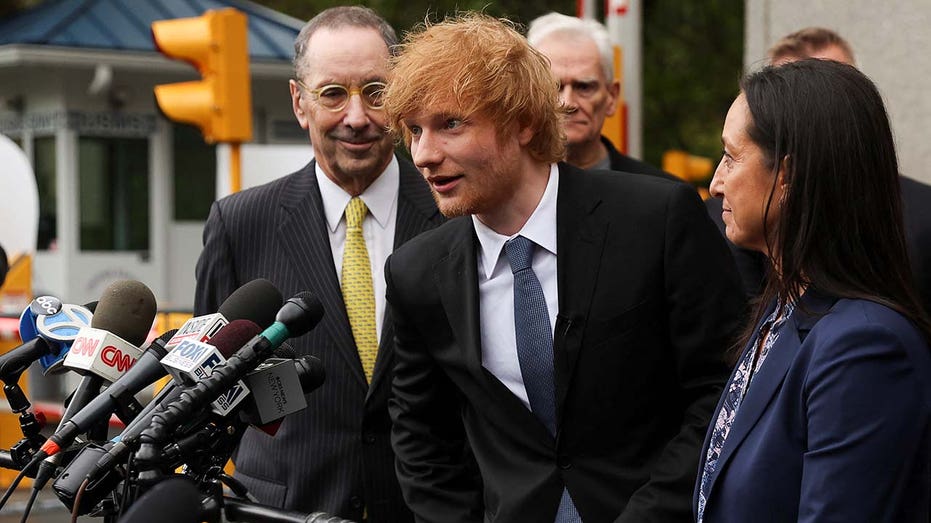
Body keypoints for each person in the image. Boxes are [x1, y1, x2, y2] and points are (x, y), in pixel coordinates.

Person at [382, 13, 746, 522]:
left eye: (450, 124)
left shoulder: (656, 218)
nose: (423, 154)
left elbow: (721, 389)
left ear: (524, 122)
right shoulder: (417, 272)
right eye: (414, 130)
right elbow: (423, 439)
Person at [193, 6, 443, 521]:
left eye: (376, 91)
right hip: (286, 510)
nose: (356, 117)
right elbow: (209, 390)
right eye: (332, 94)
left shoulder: (455, 216)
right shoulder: (240, 223)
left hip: (432, 508)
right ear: (299, 102)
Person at [695, 59, 931, 522]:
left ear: (787, 175)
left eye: (731, 156)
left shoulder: (865, 347)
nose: (715, 182)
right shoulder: (786, 308)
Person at [707, 27, 931, 309]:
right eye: (785, 88)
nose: (717, 184)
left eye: (830, 90)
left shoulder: (865, 332)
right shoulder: (721, 227)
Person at [527, 12, 671, 178]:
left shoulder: (660, 196)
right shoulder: (499, 192)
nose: (568, 103)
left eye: (584, 87)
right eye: (553, 88)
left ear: (611, 96)